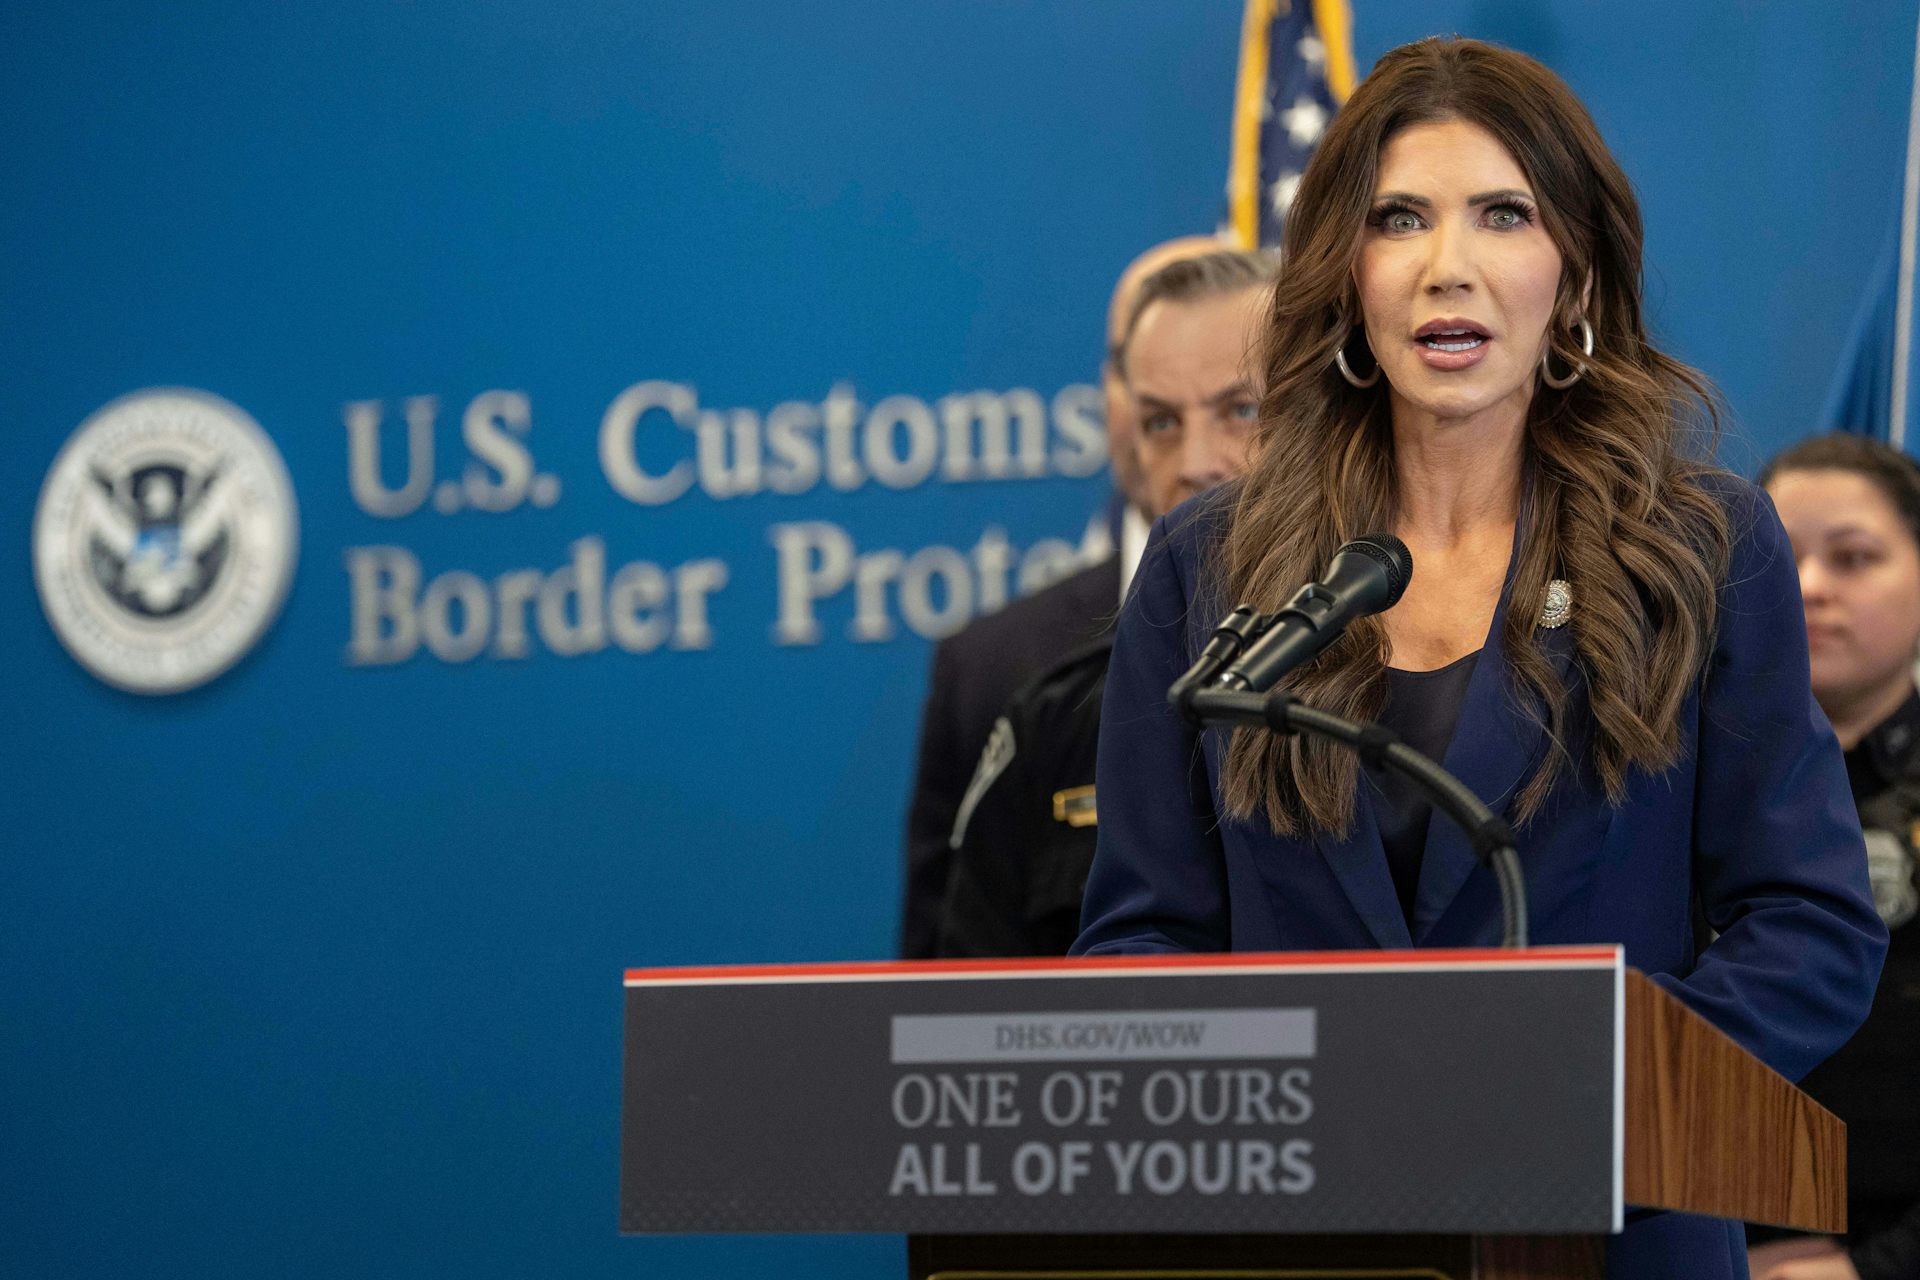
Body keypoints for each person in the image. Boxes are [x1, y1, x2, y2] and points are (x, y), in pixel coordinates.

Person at [1069, 37, 1887, 1277]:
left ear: (1573, 273)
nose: (1448, 269)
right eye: (1400, 219)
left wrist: (1603, 1091)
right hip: (1302, 1234)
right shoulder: (1208, 564)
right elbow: (1140, 931)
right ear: (1349, 275)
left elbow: (1812, 920)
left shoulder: (1702, 547)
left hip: (1614, 1229)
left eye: (1503, 214)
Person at [933, 248, 1278, 957]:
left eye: (1241, 410)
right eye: (1160, 423)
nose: (1195, 462)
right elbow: (950, 1027)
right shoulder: (1042, 710)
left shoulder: (1401, 660)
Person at [1745, 434, 1920, 1280]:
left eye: (1854, 558)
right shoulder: (1660, 780)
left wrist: (1878, 1267)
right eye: (1780, 557)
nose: (1810, 587)